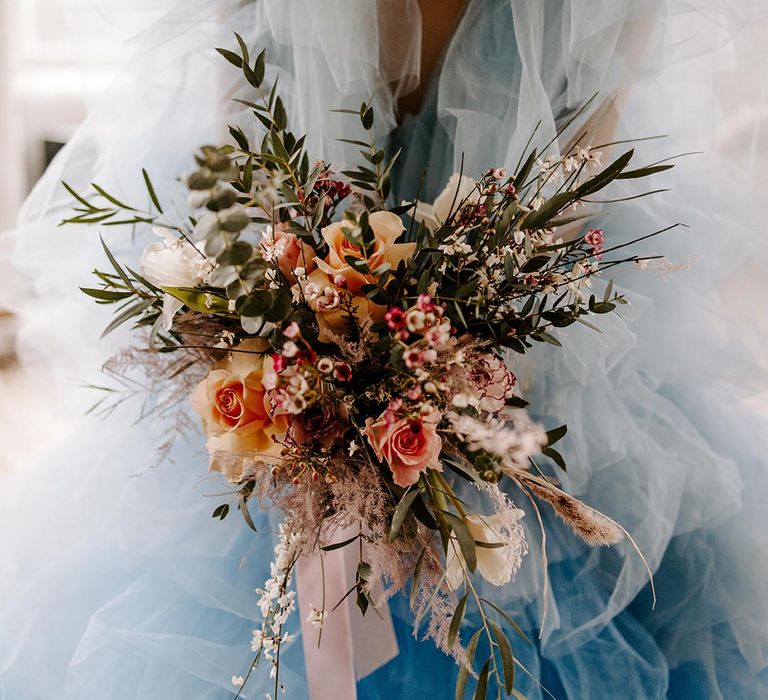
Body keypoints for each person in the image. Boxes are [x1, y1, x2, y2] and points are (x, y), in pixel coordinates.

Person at [1, 1, 767, 698]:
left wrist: (439, 346)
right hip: (316, 293)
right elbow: (245, 157)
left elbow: (577, 175)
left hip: (523, 328)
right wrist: (311, 334)